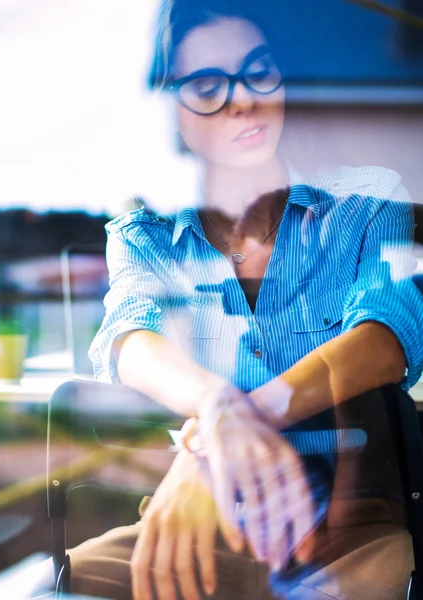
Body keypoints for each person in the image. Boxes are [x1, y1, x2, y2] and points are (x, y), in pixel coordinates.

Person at [66, 0, 423, 598]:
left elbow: (385, 338)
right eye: (207, 84)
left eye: (259, 71)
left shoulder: (365, 203)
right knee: (64, 580)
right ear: (171, 108)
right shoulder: (147, 236)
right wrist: (216, 406)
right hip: (202, 527)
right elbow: (130, 337)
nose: (242, 99)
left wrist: (219, 434)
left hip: (347, 532)